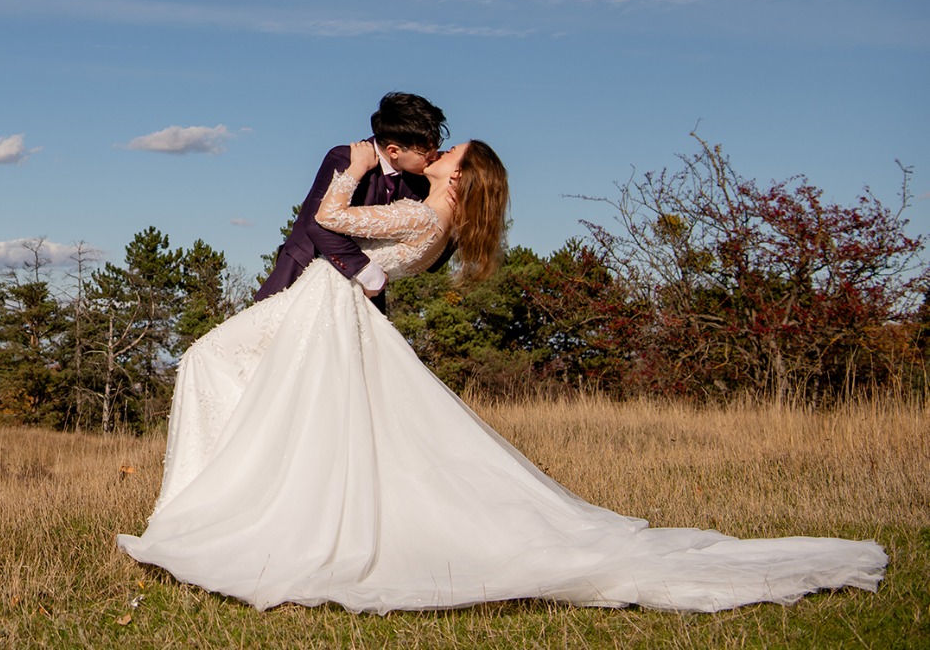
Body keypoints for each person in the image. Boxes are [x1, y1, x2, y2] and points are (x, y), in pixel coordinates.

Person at [117, 138, 886, 614]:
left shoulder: (424, 215)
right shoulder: (442, 222)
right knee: (273, 399)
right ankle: (225, 504)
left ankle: (215, 513)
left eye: (450, 155)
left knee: (207, 361)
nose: (439, 153)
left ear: (460, 176)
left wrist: (350, 167)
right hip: (333, 311)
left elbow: (331, 221)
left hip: (325, 308)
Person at [255, 92, 448, 313]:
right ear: (394, 151)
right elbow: (316, 224)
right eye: (425, 152)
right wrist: (367, 272)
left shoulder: (421, 179)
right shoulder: (344, 159)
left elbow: (429, 247)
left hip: (364, 297)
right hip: (302, 276)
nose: (434, 155)